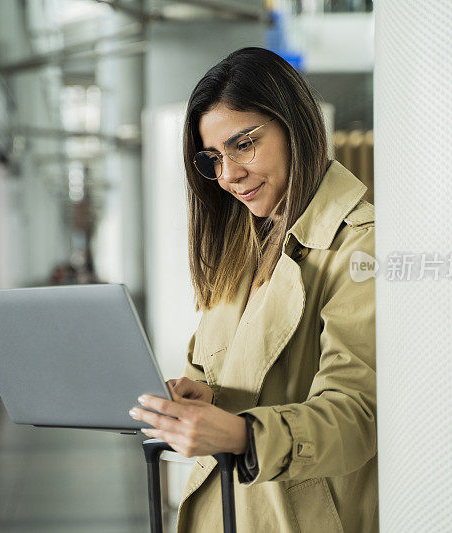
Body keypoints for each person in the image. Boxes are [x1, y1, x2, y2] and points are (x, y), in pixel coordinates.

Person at [128, 47, 377, 532]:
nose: (228, 175)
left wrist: (244, 434)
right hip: (226, 508)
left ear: (295, 127)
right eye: (214, 158)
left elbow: (357, 417)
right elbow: (227, 373)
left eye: (244, 145)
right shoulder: (243, 242)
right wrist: (203, 396)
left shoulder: (360, 245)